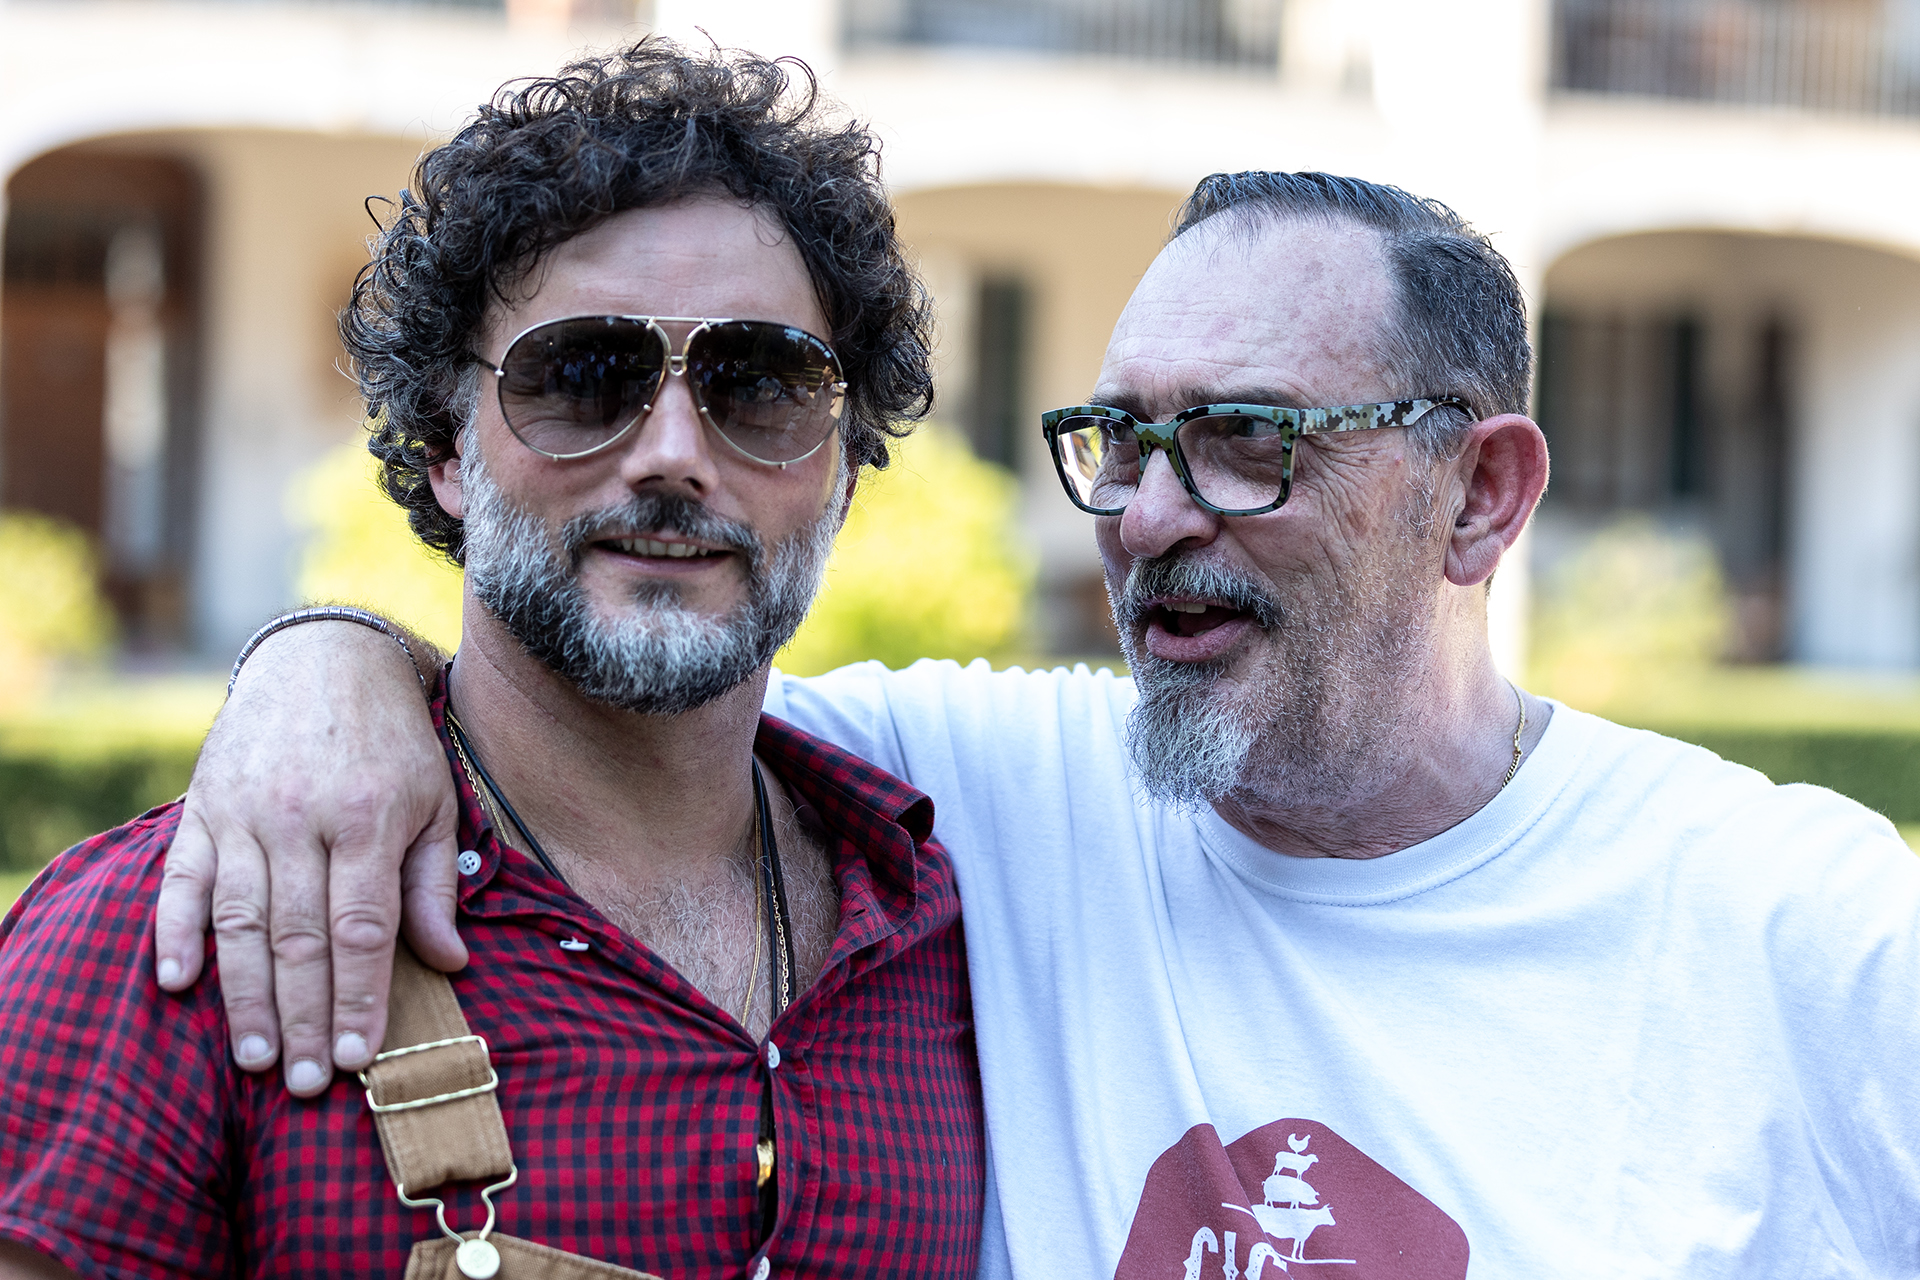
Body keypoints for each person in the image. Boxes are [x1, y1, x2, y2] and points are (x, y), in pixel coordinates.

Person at [160, 171, 1920, 1279]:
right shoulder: (991, 797)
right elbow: (604, 677)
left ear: (1482, 497)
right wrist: (325, 661)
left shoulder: (1803, 931)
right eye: (1122, 440)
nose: (1146, 517)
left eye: (1245, 440)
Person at [0, 43, 985, 1280]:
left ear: (840, 466)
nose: (674, 452)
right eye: (582, 377)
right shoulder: (186, 932)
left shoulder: (946, 924)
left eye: (761, 383)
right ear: (445, 446)